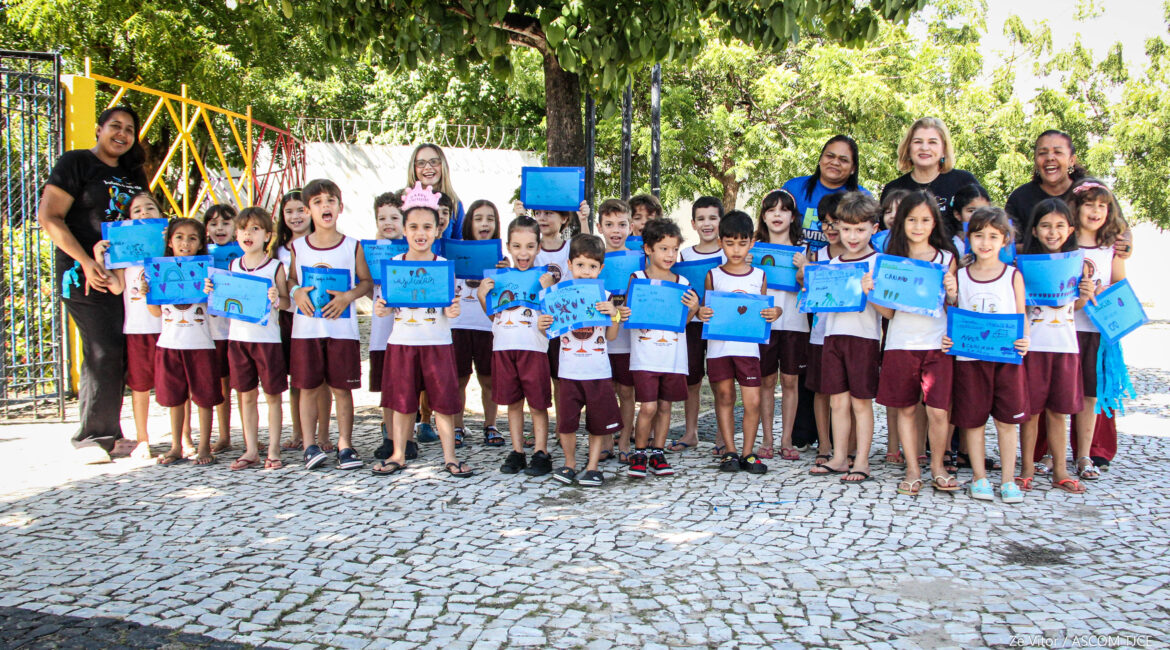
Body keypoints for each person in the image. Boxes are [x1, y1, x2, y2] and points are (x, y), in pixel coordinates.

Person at [38, 105, 149, 462]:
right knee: (103, 347)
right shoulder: (76, 163)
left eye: (129, 130)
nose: (122, 134)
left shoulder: (134, 174)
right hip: (85, 274)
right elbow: (49, 216)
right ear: (99, 129)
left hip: (125, 278)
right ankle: (91, 436)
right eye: (115, 126)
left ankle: (112, 434)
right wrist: (85, 261)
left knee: (120, 347)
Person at [371, 183, 473, 478]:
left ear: (437, 231)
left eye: (427, 226)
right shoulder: (393, 266)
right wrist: (381, 308)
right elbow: (387, 305)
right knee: (403, 403)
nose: (420, 232)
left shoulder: (443, 266)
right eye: (414, 226)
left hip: (437, 343)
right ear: (404, 230)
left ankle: (450, 457)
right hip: (402, 342)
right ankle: (399, 453)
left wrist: (453, 310)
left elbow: (449, 306)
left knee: (443, 403)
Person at [871, 191, 960, 495]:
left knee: (937, 411)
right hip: (900, 343)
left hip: (938, 343)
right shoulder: (891, 261)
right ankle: (912, 468)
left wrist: (952, 291)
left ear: (934, 222)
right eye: (912, 219)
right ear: (901, 222)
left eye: (925, 219)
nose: (918, 226)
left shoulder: (947, 258)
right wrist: (871, 293)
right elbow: (889, 313)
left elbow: (955, 305)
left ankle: (937, 466)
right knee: (906, 409)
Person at [942, 206, 1030, 504]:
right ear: (969, 239)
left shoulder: (1013, 275)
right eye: (978, 235)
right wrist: (948, 337)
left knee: (1007, 422)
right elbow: (951, 312)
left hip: (1006, 360)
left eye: (993, 236)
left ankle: (1007, 480)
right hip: (970, 361)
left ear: (1005, 240)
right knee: (973, 422)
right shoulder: (961, 276)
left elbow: (1021, 314)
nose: (985, 242)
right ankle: (979, 478)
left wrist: (1025, 340)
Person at [287, 179, 371, 470]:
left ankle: (345, 444)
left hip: (341, 329)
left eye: (330, 200)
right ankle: (310, 445)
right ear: (309, 209)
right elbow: (290, 280)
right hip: (307, 329)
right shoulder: (299, 247)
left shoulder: (352, 246)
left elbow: (365, 282)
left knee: (342, 389)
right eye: (318, 201)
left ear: (340, 206)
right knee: (308, 387)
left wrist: (348, 296)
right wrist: (295, 291)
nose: (325, 206)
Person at [698, 210, 780, 475]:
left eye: (742, 243)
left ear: (751, 243)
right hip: (719, 350)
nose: (736, 249)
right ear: (721, 242)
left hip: (748, 350)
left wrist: (774, 313)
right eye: (730, 243)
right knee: (724, 397)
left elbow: (766, 310)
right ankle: (730, 452)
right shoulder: (713, 274)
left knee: (752, 401)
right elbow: (704, 309)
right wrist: (702, 312)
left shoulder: (759, 276)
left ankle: (749, 452)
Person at [807, 193, 880, 485]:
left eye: (860, 229)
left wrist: (871, 291)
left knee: (861, 403)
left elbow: (888, 311)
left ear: (874, 228)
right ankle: (838, 457)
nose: (852, 236)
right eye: (847, 229)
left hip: (864, 338)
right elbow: (817, 303)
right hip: (832, 337)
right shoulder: (832, 263)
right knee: (837, 401)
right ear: (837, 226)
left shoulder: (879, 262)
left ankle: (861, 459)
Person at [1016, 198, 1087, 494]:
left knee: (1059, 412)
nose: (1052, 232)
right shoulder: (1021, 264)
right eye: (1045, 225)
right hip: (1033, 348)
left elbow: (1077, 305)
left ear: (1070, 229)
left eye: (1059, 226)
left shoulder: (1077, 262)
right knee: (1029, 412)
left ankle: (1060, 469)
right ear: (1034, 230)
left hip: (1066, 347)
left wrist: (1085, 292)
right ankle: (1027, 468)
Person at [542, 234, 624, 487]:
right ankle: (569, 464)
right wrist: (541, 322)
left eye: (592, 266)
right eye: (580, 265)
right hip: (568, 372)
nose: (586, 271)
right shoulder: (558, 295)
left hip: (598, 372)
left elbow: (610, 336)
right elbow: (548, 330)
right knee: (566, 424)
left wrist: (615, 315)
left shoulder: (607, 297)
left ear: (601, 268)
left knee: (598, 424)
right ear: (569, 265)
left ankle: (592, 466)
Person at [93, 192, 169, 460]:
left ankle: (180, 437)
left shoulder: (170, 247)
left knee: (175, 384)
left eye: (150, 208)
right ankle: (143, 439)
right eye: (137, 210)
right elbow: (115, 288)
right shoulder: (123, 257)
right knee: (139, 386)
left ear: (161, 215)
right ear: (128, 218)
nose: (144, 213)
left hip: (170, 327)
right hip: (137, 328)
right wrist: (100, 258)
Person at [477, 216, 556, 474]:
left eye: (530, 246)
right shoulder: (499, 279)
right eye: (517, 246)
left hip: (533, 350)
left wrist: (547, 290)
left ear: (538, 246)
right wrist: (481, 296)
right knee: (512, 403)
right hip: (503, 349)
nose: (524, 253)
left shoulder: (546, 278)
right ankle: (517, 451)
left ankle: (541, 452)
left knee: (537, 405)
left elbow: (553, 318)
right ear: (508, 247)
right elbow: (494, 317)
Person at [215, 207, 290, 470]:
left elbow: (286, 301)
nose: (249, 234)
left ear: (268, 235)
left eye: (255, 229)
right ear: (237, 234)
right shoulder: (233, 266)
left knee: (272, 396)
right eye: (244, 229)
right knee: (245, 395)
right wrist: (212, 290)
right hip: (238, 339)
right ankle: (250, 449)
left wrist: (275, 299)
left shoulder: (275, 267)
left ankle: (273, 449)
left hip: (267, 340)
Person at [626, 218, 699, 479]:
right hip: (645, 356)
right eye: (663, 248)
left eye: (673, 249)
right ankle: (639, 452)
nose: (670, 255)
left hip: (673, 357)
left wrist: (693, 309)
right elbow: (630, 314)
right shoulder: (637, 278)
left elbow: (682, 323)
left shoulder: (682, 282)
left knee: (665, 407)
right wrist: (624, 311)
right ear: (648, 249)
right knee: (648, 407)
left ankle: (658, 452)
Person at [147, 219, 222, 466]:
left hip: (200, 343)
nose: (185, 243)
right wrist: (150, 293)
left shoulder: (207, 272)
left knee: (204, 397)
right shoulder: (159, 271)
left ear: (201, 243)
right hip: (169, 343)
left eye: (192, 238)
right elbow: (156, 312)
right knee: (175, 397)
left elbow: (215, 310)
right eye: (179, 237)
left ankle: (203, 446)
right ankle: (176, 445)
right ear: (170, 241)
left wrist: (213, 291)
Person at [1069, 178, 1127, 479]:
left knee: (1090, 394)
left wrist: (1104, 292)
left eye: (1102, 206)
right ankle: (1052, 454)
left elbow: (1121, 287)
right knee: (1060, 395)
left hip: (1096, 332)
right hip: (1063, 330)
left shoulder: (1110, 249)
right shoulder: (1064, 245)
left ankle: (1084, 455)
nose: (1095, 211)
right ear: (1076, 208)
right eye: (1089, 204)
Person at [272, 189, 332, 453]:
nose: (295, 216)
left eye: (300, 210)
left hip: (320, 318)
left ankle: (324, 434)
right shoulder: (275, 250)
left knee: (324, 380)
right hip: (287, 317)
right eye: (289, 211)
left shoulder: (324, 243)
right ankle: (298, 431)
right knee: (298, 379)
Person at [752, 189, 808, 462]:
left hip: (795, 323)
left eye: (783, 210)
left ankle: (787, 438)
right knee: (766, 380)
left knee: (789, 381)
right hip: (763, 322)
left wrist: (804, 269)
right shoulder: (753, 249)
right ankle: (767, 439)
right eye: (771, 210)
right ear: (763, 216)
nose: (777, 215)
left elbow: (812, 288)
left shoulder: (804, 250)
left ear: (792, 216)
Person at [670, 196, 724, 453]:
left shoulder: (729, 252)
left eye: (713, 218)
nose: (707, 224)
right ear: (693, 223)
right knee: (692, 380)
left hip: (718, 324)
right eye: (701, 219)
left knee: (719, 380)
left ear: (720, 221)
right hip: (692, 325)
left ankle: (723, 436)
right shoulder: (684, 255)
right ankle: (690, 432)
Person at [451, 200, 502, 448]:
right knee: (459, 379)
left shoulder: (500, 257)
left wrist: (504, 271)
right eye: (479, 218)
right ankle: (457, 426)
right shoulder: (455, 251)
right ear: (469, 222)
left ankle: (490, 425)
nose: (484, 223)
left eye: (490, 218)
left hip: (487, 326)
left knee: (488, 379)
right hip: (458, 325)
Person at [804, 193, 848, 466]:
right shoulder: (815, 255)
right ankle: (824, 443)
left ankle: (850, 445)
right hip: (820, 333)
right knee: (821, 391)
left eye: (836, 223)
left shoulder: (860, 256)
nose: (830, 229)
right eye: (825, 223)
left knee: (849, 393)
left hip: (850, 334)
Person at [369, 191, 411, 460]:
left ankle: (407, 438)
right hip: (381, 331)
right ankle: (389, 436)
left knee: (407, 387)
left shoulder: (411, 252)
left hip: (407, 331)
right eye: (382, 218)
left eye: (394, 217)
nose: (388, 223)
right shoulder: (371, 251)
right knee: (386, 388)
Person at [596, 199, 636, 462]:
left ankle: (624, 439)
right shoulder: (593, 260)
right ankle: (607, 439)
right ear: (599, 227)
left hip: (629, 339)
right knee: (606, 390)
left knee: (627, 391)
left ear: (631, 227)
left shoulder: (639, 260)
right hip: (602, 339)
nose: (616, 230)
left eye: (622, 224)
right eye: (609, 224)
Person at [781, 135, 870, 253]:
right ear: (820, 159)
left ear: (853, 168)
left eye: (843, 160)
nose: (835, 162)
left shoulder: (863, 198)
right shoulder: (793, 188)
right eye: (830, 156)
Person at [881, 117, 979, 219]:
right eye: (918, 142)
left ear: (944, 150)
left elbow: (984, 223)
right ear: (908, 148)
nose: (924, 148)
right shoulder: (893, 189)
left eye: (932, 142)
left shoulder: (964, 182)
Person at [202, 204, 239, 453]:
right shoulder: (200, 254)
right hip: (213, 329)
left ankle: (249, 435)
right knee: (221, 383)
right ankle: (224, 435)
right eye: (214, 223)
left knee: (245, 385)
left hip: (240, 328)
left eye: (226, 223)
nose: (220, 228)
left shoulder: (245, 252)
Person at [407, 143, 464, 239]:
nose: (428, 167)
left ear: (443, 165)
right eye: (421, 163)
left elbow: (461, 244)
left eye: (434, 162)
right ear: (413, 168)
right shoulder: (403, 201)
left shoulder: (455, 204)